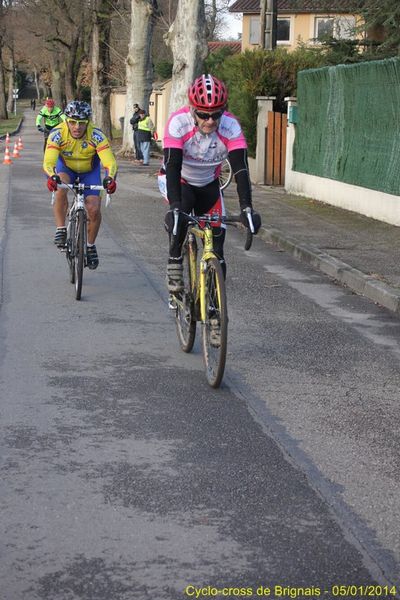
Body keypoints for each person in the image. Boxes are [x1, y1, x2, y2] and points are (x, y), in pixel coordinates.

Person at [161, 73, 261, 294]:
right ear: (192, 110)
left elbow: (241, 169)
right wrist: (174, 207)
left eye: (216, 114)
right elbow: (172, 167)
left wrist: (247, 207)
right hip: (181, 180)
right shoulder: (178, 123)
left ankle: (214, 305)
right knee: (180, 221)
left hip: (209, 183)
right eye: (203, 115)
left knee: (217, 247)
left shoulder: (230, 126)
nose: (210, 121)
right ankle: (174, 260)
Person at [43, 100, 118, 270]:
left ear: (88, 122)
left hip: (89, 172)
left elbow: (110, 162)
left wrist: (110, 178)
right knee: (60, 185)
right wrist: (52, 176)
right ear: (66, 121)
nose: (77, 127)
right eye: (72, 122)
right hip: (66, 169)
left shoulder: (96, 135)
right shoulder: (58, 133)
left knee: (94, 208)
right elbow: (48, 161)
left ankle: (90, 246)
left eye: (82, 123)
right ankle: (61, 228)